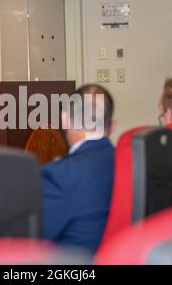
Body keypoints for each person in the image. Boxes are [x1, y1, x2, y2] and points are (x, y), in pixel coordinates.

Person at [41, 84, 115, 254]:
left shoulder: (59, 176)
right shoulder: (128, 159)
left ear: (65, 119)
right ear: (110, 125)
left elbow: (30, 241)